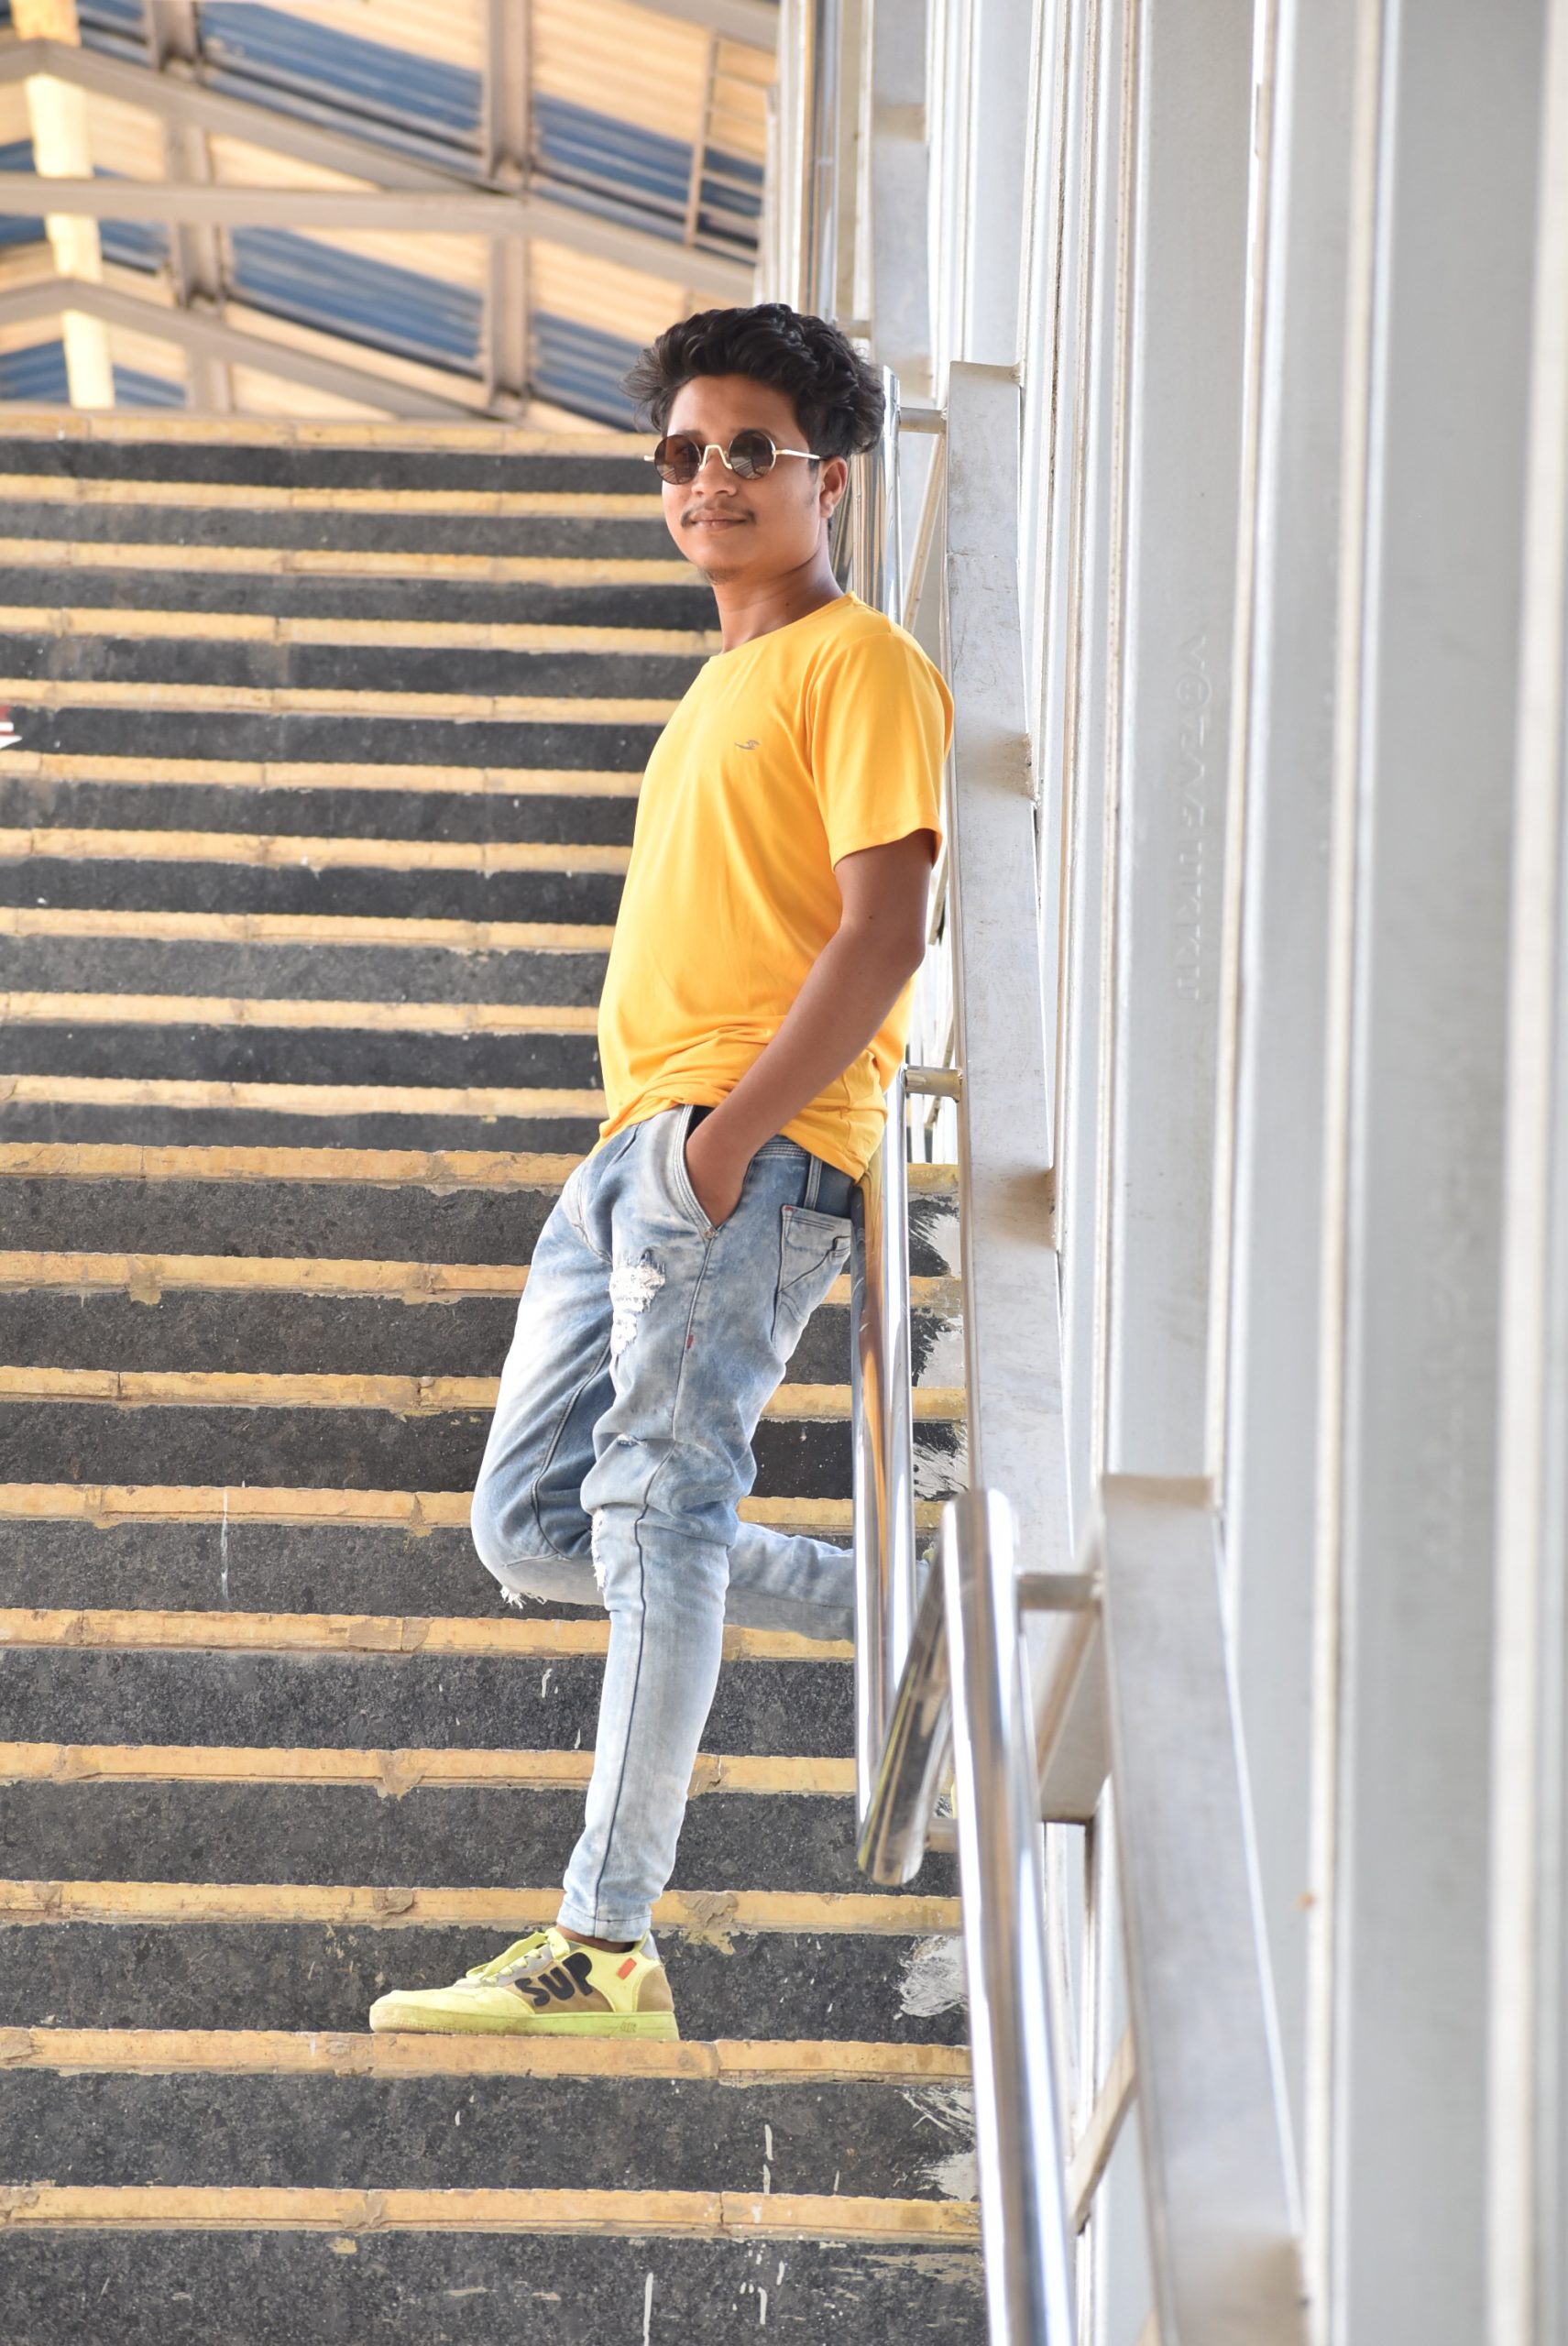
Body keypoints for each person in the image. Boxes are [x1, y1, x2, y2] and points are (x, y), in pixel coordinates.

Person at [369, 302, 952, 2041]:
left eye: (749, 450)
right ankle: (904, 1611)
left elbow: (887, 932)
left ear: (827, 475)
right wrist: (664, 1153)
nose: (709, 477)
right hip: (639, 1151)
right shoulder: (723, 680)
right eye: (684, 452)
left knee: (660, 1507)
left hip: (737, 1156)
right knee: (538, 1527)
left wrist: (731, 1145)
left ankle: (605, 1945)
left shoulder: (863, 663)